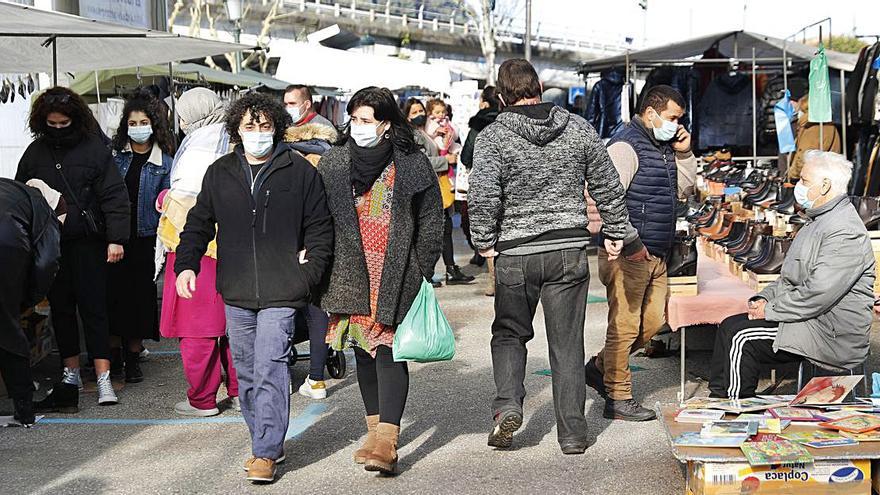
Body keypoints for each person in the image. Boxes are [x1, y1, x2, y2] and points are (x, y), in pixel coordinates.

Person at [469, 59, 629, 454]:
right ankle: (572, 434)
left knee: (509, 334)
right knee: (567, 344)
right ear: (539, 87)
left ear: (502, 96)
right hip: (568, 250)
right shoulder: (577, 127)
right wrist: (614, 231)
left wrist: (484, 240)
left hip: (516, 253)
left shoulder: (494, 137)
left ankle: (508, 405)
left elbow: (484, 194)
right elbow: (607, 183)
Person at [174, 92, 333, 483]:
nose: (258, 133)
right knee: (246, 371)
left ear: (277, 128)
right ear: (237, 130)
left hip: (284, 288)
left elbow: (320, 228)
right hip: (237, 289)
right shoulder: (219, 172)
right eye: (249, 127)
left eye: (264, 126)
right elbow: (197, 223)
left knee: (270, 365)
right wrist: (186, 265)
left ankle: (265, 450)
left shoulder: (300, 172)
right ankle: (262, 439)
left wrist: (308, 273)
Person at [319, 87, 443, 475]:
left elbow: (432, 220)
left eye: (366, 120)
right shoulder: (334, 162)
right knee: (362, 352)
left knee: (389, 351)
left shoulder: (411, 163)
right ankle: (373, 433)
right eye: (354, 119)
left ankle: (387, 441)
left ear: (386, 124)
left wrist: (420, 267)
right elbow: (318, 216)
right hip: (350, 272)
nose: (358, 127)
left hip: (395, 272)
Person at [709, 151, 875, 399]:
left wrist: (771, 310)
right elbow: (789, 278)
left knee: (740, 337)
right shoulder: (817, 220)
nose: (798, 187)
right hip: (811, 320)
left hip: (831, 334)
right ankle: (718, 403)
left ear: (825, 185)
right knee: (729, 325)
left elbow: (818, 294)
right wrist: (764, 299)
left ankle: (734, 412)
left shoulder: (843, 231)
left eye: (804, 181)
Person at [583, 85, 697, 422]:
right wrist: (631, 244)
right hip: (630, 252)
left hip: (657, 251)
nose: (677, 124)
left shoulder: (662, 146)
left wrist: (685, 153)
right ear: (651, 113)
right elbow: (608, 200)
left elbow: (684, 189)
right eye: (673, 117)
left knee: (655, 323)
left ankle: (600, 367)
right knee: (624, 326)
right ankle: (618, 397)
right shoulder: (625, 145)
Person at [16, 87, 130, 411]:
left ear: (75, 120)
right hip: (51, 246)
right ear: (42, 122)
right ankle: (70, 373)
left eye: (63, 123)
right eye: (51, 124)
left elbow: (114, 195)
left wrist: (116, 239)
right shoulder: (34, 153)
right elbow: (22, 197)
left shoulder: (95, 150)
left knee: (95, 308)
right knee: (61, 308)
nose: (57, 128)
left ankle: (103, 376)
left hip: (89, 243)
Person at [157, 87, 240, 417]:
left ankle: (202, 399)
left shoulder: (198, 146)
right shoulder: (233, 138)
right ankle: (239, 390)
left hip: (197, 251)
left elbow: (185, 204)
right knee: (236, 325)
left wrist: (165, 200)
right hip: (237, 250)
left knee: (198, 328)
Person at [108, 92, 175, 384]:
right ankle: (113, 357)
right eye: (133, 122)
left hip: (146, 239)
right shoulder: (114, 157)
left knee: (139, 299)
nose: (138, 127)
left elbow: (169, 199)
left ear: (153, 124)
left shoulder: (166, 161)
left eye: (144, 121)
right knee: (112, 297)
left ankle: (133, 357)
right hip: (115, 237)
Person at [0, 179, 63, 426]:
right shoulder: (43, 206)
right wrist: (29, 297)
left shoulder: (12, 188)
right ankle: (24, 408)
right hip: (6, 246)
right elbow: (47, 261)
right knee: (7, 327)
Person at [404, 98, 474, 286]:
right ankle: (427, 274)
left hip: (437, 186)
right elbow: (421, 161)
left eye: (421, 111)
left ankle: (449, 269)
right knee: (435, 231)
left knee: (446, 228)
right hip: (426, 188)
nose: (419, 115)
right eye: (414, 112)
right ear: (407, 116)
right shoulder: (412, 135)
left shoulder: (424, 132)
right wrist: (447, 161)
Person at [461, 86, 501, 291]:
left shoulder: (478, 126)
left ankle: (493, 281)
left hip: (482, 181)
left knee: (487, 226)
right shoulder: (508, 123)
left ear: (484, 102)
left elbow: (466, 156)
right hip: (507, 182)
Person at [788, 95, 842, 180]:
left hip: (811, 179)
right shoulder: (829, 125)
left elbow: (803, 157)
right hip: (827, 176)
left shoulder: (812, 128)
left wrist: (792, 174)